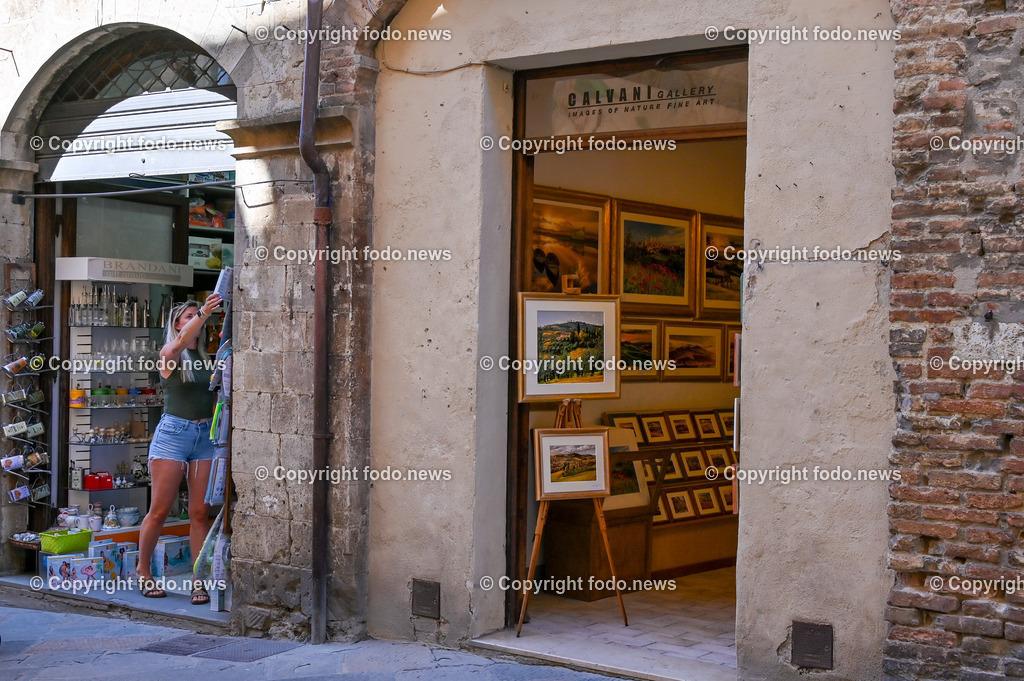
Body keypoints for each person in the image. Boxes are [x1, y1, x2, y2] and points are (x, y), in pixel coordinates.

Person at [138, 294, 221, 603]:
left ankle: (199, 580)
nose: (195, 320)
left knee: (200, 512)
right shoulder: (170, 354)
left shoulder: (205, 357)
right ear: (176, 324)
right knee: (159, 510)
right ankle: (143, 571)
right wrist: (202, 312)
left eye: (195, 316)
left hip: (204, 435)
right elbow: (174, 346)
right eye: (187, 317)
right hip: (174, 433)